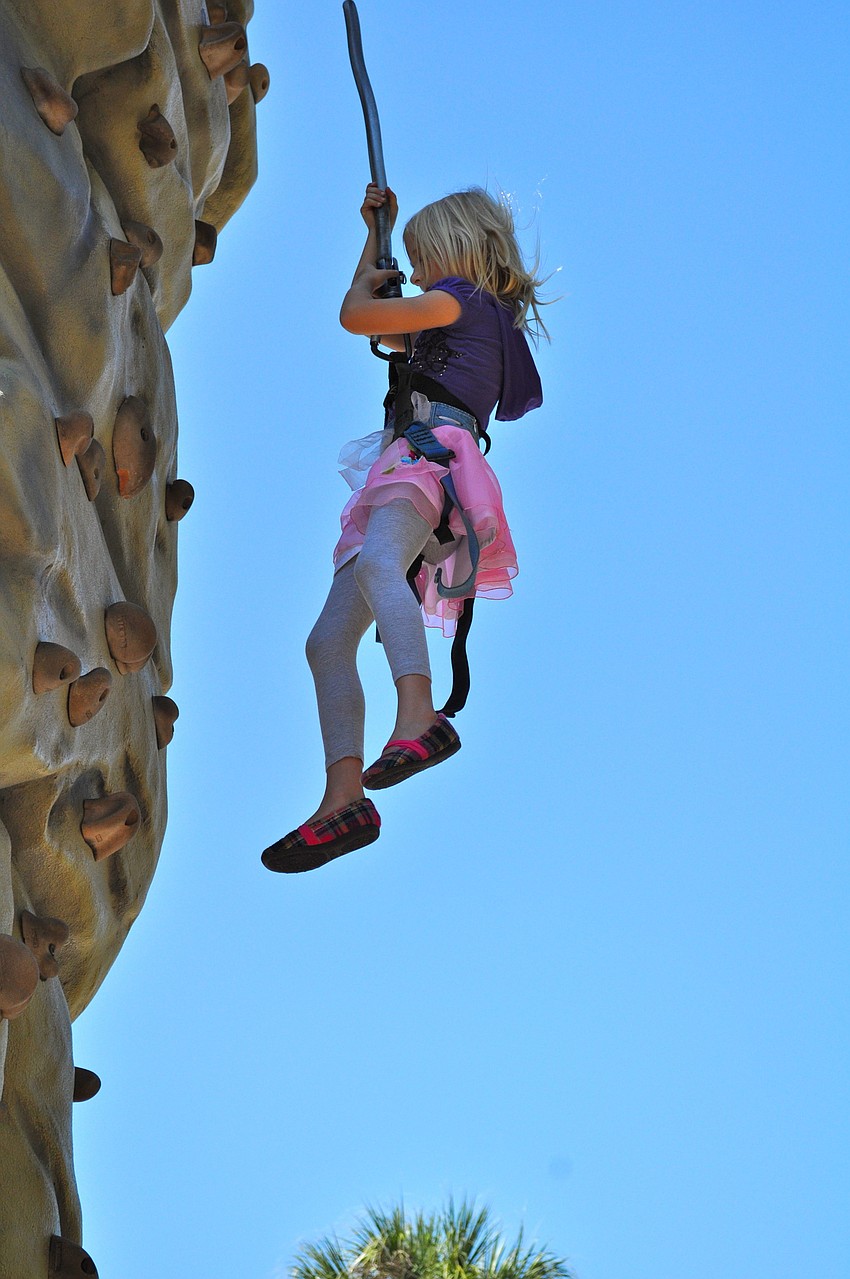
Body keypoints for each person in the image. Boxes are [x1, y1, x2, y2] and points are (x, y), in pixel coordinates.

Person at [262, 184, 547, 873]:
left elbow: (358, 316)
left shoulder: (460, 301)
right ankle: (343, 798)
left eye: (420, 258)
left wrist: (371, 268)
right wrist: (374, 241)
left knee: (377, 564)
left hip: (429, 458)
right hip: (406, 463)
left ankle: (417, 714)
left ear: (456, 248)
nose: (415, 275)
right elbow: (374, 323)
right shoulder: (447, 315)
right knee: (328, 642)